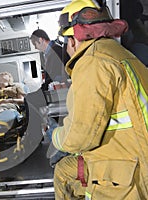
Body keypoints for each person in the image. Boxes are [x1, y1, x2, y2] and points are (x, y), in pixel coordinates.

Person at [46, 0, 148, 199]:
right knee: (64, 171)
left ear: (72, 40)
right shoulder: (119, 54)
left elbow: (81, 136)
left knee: (64, 171)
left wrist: (55, 136)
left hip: (127, 169)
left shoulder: (92, 61)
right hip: (131, 152)